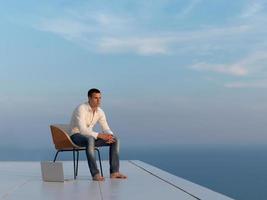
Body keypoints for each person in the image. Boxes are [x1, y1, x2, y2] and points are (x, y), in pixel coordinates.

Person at [69, 88, 127, 181]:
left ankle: (114, 172)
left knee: (115, 140)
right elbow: (83, 130)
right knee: (90, 139)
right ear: (89, 98)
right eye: (96, 98)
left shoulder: (100, 112)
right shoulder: (81, 109)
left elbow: (106, 128)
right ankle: (95, 174)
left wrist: (110, 136)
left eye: (100, 98)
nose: (99, 100)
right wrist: (100, 135)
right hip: (76, 136)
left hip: (90, 137)